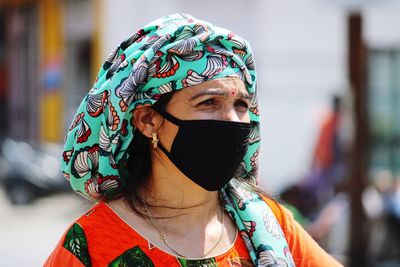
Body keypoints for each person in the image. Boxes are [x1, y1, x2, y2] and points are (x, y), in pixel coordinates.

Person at [45, 14, 342, 266]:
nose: (233, 121)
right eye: (209, 103)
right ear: (148, 120)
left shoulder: (270, 224)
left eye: (241, 105)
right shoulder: (91, 243)